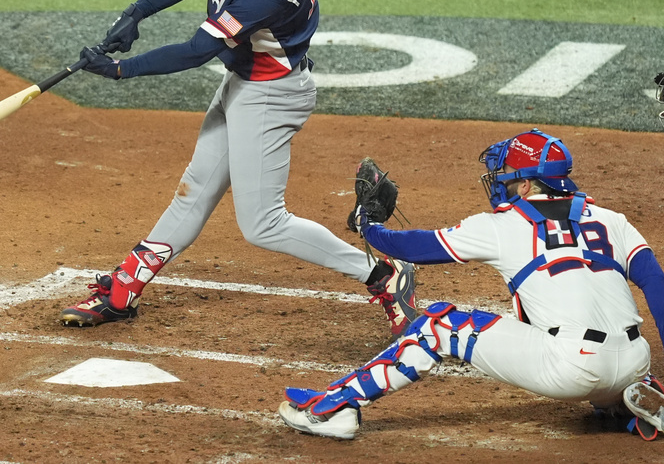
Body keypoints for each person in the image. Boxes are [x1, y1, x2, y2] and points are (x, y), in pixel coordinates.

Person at [58, 0, 417, 339]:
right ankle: (124, 287)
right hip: (244, 82)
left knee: (263, 225)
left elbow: (194, 51)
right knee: (194, 191)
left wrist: (122, 70)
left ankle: (385, 277)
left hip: (271, 95)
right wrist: (139, 11)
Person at [278, 128, 664, 441]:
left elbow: (412, 247)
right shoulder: (613, 220)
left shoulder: (501, 226)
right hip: (635, 362)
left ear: (527, 186)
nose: (500, 186)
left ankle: (336, 408)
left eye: (508, 180)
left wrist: (367, 224)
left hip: (571, 367)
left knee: (438, 326)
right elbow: (656, 285)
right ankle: (623, 402)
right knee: (593, 341)